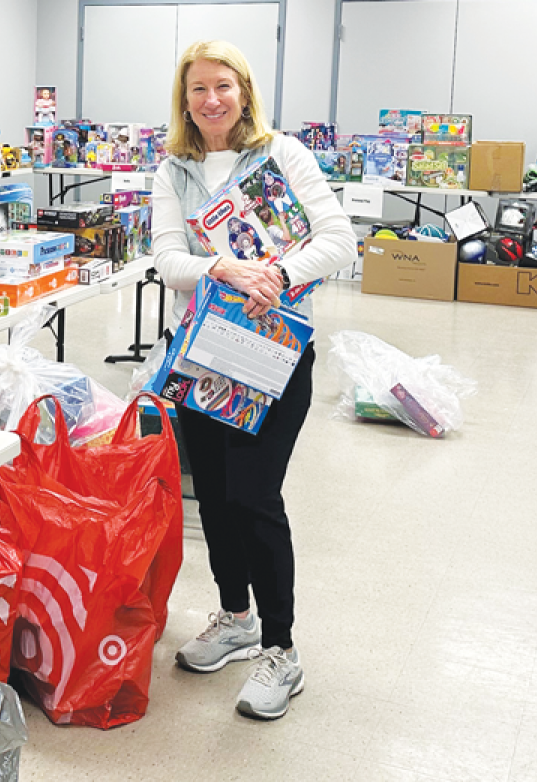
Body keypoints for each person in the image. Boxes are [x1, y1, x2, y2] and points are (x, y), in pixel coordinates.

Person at [152, 39, 355, 720]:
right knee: (210, 496)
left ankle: (281, 649)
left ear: (244, 91)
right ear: (184, 99)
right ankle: (234, 616)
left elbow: (338, 241)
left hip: (272, 354)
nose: (212, 100)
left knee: (255, 496)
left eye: (224, 86)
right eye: (198, 89)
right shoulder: (173, 169)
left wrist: (278, 274)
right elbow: (164, 258)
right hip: (202, 356)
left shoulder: (282, 155)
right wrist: (219, 268)